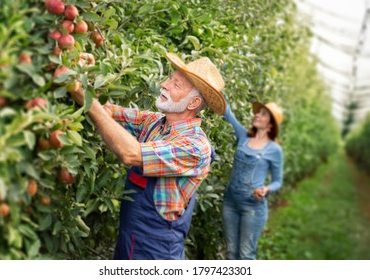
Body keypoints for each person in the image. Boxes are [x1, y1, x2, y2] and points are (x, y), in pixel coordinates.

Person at [69, 53, 226, 260]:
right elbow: (105, 110)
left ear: (193, 102)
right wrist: (81, 75)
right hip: (128, 240)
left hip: (158, 251)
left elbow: (131, 153)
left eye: (176, 84)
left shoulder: (195, 147)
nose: (165, 84)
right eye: (170, 78)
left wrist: (81, 95)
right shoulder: (153, 122)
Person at [222, 100, 284, 260]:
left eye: (263, 114)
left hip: (253, 206)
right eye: (258, 112)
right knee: (231, 252)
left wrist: (266, 189)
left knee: (245, 254)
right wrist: (214, 88)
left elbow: (278, 180)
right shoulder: (243, 136)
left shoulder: (274, 150)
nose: (257, 114)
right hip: (230, 202)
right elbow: (228, 114)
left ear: (271, 125)